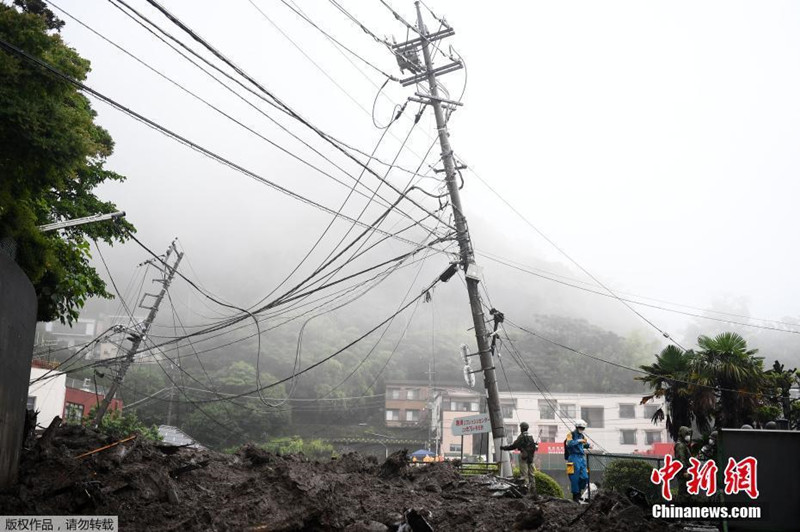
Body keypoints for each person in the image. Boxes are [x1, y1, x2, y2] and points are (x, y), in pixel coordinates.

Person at [501, 421, 538, 495]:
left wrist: (504, 448)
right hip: (531, 458)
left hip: (523, 457)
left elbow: (513, 446)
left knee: (524, 474)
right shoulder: (531, 437)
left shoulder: (521, 437)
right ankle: (533, 491)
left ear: (522, 428)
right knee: (531, 474)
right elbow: (534, 448)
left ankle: (525, 491)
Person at [565, 419, 590, 502]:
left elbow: (584, 444)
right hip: (572, 458)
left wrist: (588, 445)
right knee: (574, 478)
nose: (582, 429)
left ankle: (579, 492)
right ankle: (576, 496)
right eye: (580, 427)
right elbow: (569, 443)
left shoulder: (582, 436)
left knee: (585, 477)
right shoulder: (570, 434)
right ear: (576, 426)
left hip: (581, 458)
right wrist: (578, 441)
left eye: (583, 428)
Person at [674, 426, 693, 501]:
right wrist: (685, 470)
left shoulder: (684, 445)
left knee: (686, 491)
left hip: (685, 471)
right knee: (683, 492)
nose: (688, 436)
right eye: (686, 434)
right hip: (683, 472)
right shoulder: (680, 446)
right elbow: (681, 458)